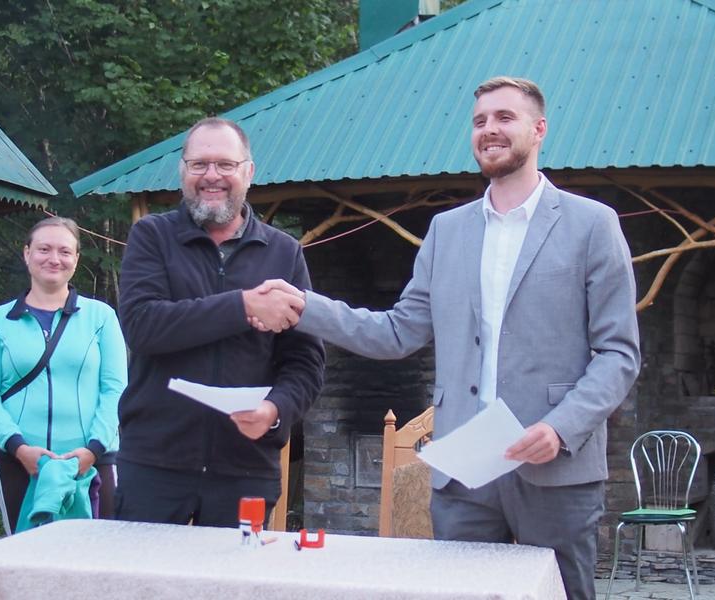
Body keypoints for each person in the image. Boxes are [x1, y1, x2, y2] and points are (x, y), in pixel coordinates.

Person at [253, 77, 640, 599]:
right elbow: (396, 333)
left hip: (556, 470)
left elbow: (619, 353)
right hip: (464, 479)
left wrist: (561, 427)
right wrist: (306, 307)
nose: (489, 130)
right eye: (480, 121)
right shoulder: (446, 231)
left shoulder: (593, 224)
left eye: (505, 117)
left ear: (539, 129)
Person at [114, 117, 324, 527]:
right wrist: (243, 307)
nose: (212, 176)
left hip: (245, 469)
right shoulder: (151, 237)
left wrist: (274, 410)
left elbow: (306, 362)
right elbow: (142, 326)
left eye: (225, 165)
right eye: (199, 165)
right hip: (154, 467)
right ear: (182, 172)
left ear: (248, 172)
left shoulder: (284, 254)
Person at [0, 216, 127, 534]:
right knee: (25, 556)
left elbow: (116, 388)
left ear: (76, 259)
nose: (54, 259)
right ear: (27, 254)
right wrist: (18, 447)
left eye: (64, 251)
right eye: (44, 249)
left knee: (97, 555)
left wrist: (92, 450)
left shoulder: (101, 317)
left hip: (92, 458)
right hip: (17, 459)